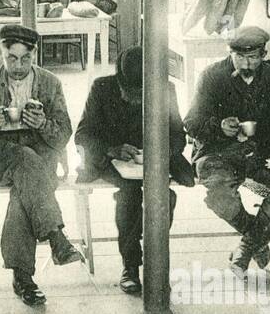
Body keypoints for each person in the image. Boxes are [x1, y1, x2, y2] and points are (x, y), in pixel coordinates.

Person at [0, 24, 83, 306]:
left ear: (35, 55)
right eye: (11, 58)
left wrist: (43, 124)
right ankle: (55, 236)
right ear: (0, 53)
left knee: (24, 191)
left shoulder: (49, 83)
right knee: (26, 161)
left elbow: (63, 135)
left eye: (25, 59)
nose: (18, 66)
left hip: (39, 154)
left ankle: (24, 278)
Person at [185, 25, 270, 277]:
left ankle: (246, 248)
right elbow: (192, 122)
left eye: (252, 58)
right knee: (220, 197)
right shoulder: (212, 76)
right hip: (219, 153)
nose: (246, 64)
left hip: (261, 155)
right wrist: (218, 126)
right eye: (239, 57)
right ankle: (255, 241)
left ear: (264, 54)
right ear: (229, 52)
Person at [75, 45, 192, 295]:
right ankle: (130, 264)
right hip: (114, 161)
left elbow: (178, 136)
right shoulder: (102, 88)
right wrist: (110, 149)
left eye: (143, 93)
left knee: (164, 197)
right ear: (120, 81)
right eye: (131, 92)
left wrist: (159, 151)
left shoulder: (165, 89)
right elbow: (83, 135)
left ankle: (154, 261)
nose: (137, 98)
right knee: (129, 196)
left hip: (153, 160)